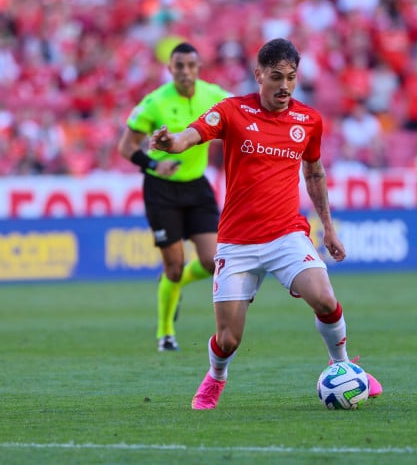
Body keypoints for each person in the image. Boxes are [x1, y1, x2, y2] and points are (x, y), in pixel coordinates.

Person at [149, 38, 383, 409]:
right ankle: (216, 377)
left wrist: (329, 228)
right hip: (237, 242)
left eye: (291, 77)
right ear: (259, 74)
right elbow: (191, 136)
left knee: (324, 298)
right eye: (276, 77)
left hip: (286, 235)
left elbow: (315, 173)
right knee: (228, 339)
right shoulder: (232, 111)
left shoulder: (308, 120)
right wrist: (171, 143)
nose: (285, 86)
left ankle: (343, 367)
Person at [117, 42, 230, 352]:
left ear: (198, 67)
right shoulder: (154, 103)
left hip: (196, 186)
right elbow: (125, 147)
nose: (185, 72)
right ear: (170, 69)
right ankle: (165, 332)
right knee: (174, 267)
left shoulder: (214, 95)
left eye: (191, 66)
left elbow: (243, 115)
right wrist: (154, 163)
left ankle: (173, 285)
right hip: (161, 190)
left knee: (212, 261)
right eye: (179, 66)